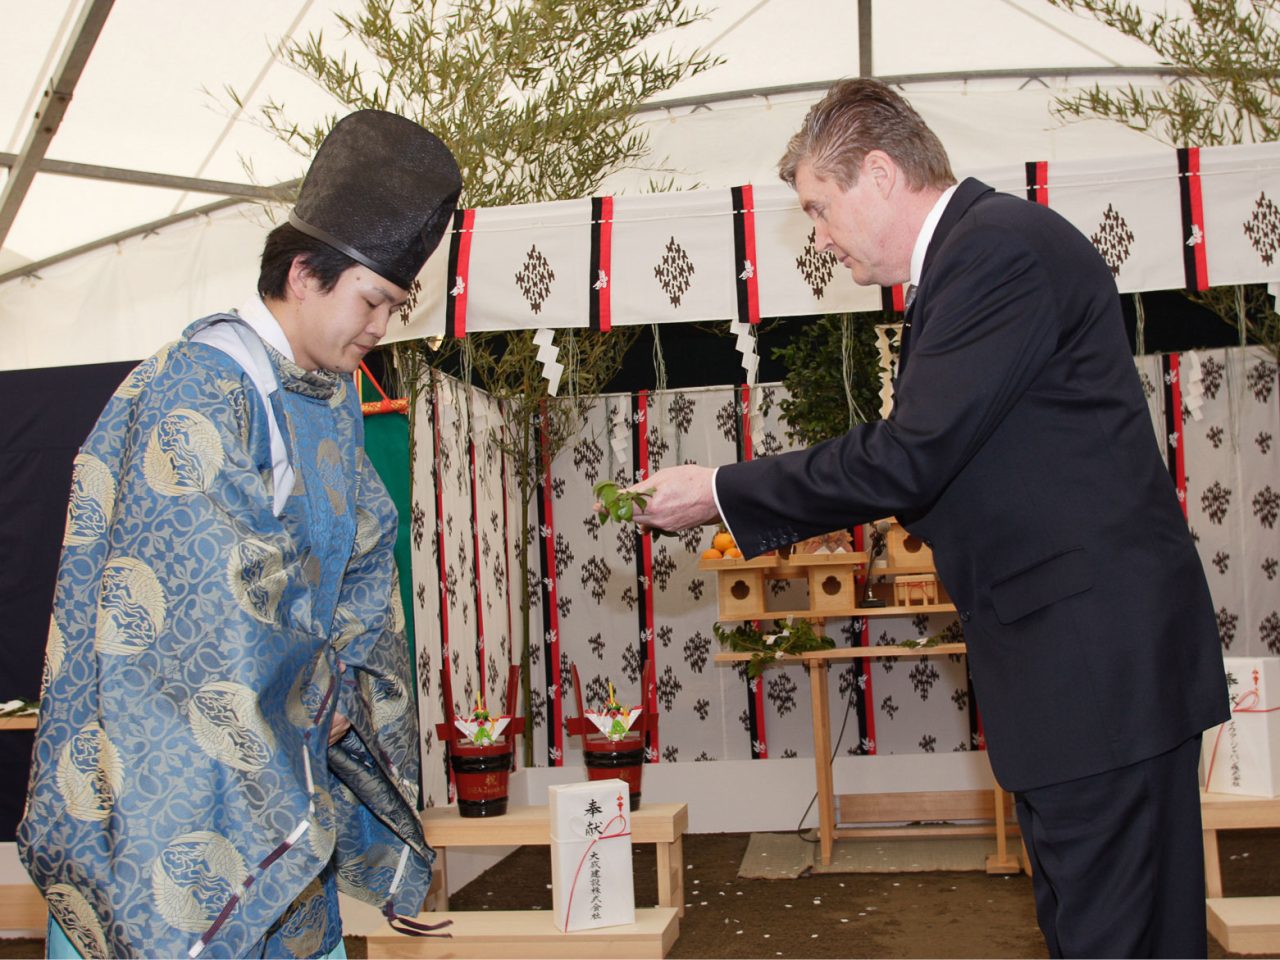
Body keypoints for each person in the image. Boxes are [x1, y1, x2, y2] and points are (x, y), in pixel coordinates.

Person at [633, 79, 1229, 958]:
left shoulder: (995, 253)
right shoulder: (975, 258)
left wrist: (721, 489)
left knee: (1113, 937)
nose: (819, 237)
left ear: (879, 173)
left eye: (819, 208)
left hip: (1094, 670)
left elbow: (911, 454)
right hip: (1087, 670)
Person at [18, 110, 461, 959]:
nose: (380, 326)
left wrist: (340, 687)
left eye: (395, 306)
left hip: (278, 771)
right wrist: (316, 694)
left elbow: (364, 560)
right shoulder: (197, 389)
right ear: (303, 274)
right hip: (168, 785)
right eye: (372, 300)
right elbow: (207, 600)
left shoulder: (327, 398)